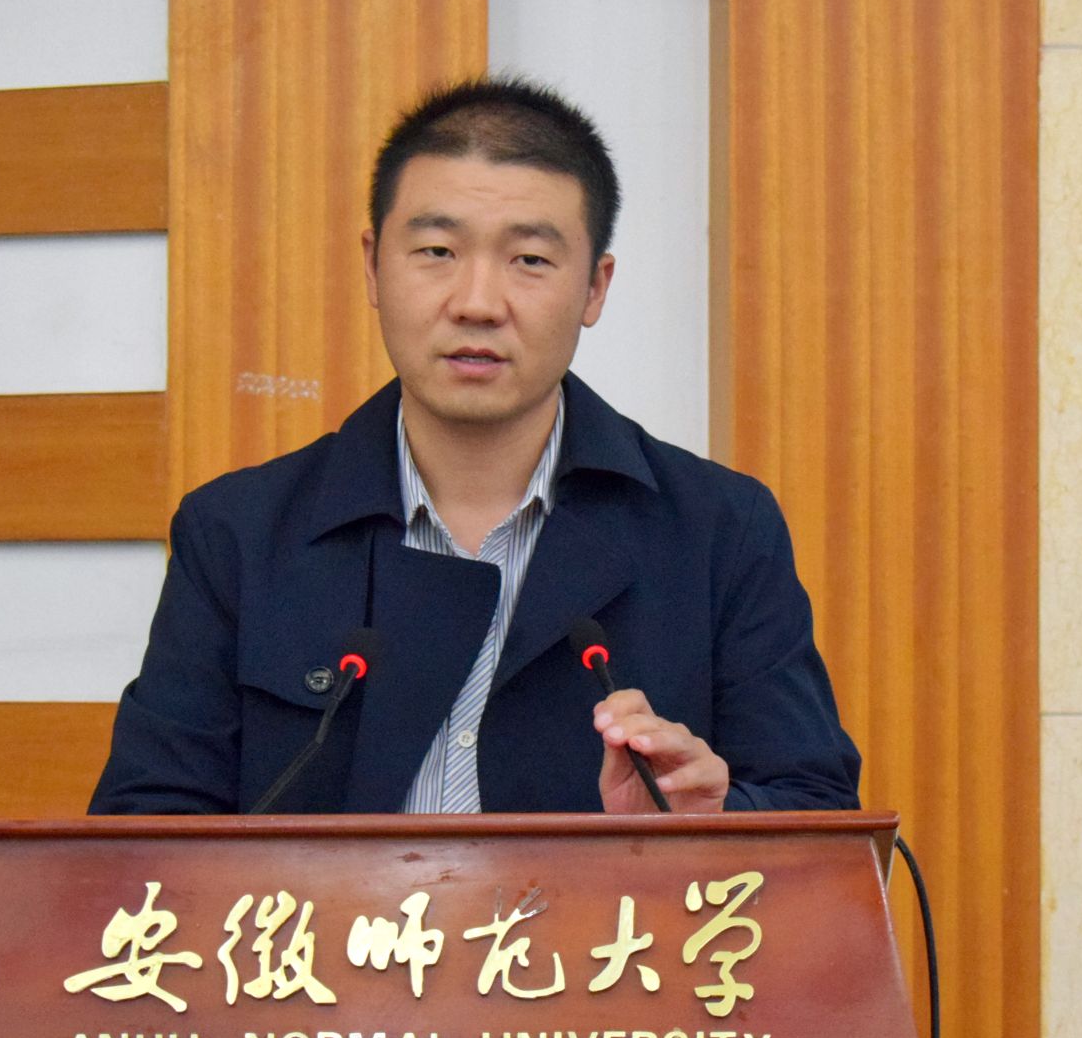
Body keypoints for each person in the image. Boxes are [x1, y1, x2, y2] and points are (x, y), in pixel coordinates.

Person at [89, 76, 860, 815]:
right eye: (437, 252)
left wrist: (709, 818)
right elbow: (147, 830)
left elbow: (817, 809)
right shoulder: (238, 534)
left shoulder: (719, 531)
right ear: (373, 266)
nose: (478, 303)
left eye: (530, 260)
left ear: (595, 287)